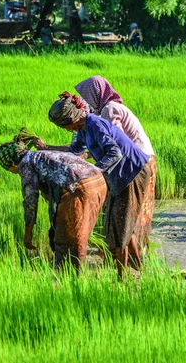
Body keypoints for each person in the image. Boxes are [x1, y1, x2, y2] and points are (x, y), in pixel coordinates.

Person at [46, 92, 152, 276]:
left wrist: (93, 172)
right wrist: (47, 153)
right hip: (117, 176)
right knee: (115, 224)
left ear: (72, 118)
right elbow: (74, 151)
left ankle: (122, 278)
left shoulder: (95, 124)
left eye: (64, 126)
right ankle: (140, 271)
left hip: (133, 172)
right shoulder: (83, 130)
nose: (65, 130)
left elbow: (115, 153)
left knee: (120, 226)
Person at [0, 140, 107, 270]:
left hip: (80, 187)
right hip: (98, 180)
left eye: (9, 169)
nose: (12, 172)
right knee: (79, 232)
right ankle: (73, 272)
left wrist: (28, 233)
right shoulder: (39, 155)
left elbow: (30, 201)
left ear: (13, 162)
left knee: (67, 238)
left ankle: (72, 277)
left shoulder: (25, 164)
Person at [74, 76, 156, 249]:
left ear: (95, 93)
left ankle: (130, 252)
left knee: (132, 211)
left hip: (136, 163)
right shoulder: (103, 112)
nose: (85, 101)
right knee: (135, 210)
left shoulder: (109, 109)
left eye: (86, 95)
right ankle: (132, 251)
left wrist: (90, 164)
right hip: (141, 160)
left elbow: (116, 144)